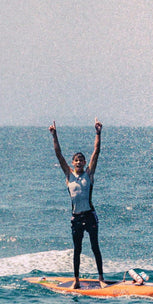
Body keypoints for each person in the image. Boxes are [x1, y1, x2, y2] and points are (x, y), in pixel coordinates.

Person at [49, 119, 105, 288]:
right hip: (76, 218)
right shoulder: (69, 175)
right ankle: (76, 280)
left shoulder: (89, 174)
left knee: (95, 247)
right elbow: (59, 155)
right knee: (77, 250)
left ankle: (101, 278)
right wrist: (54, 135)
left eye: (82, 160)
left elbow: (96, 152)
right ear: (72, 163)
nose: (79, 162)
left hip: (90, 216)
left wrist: (98, 133)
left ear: (84, 162)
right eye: (76, 160)